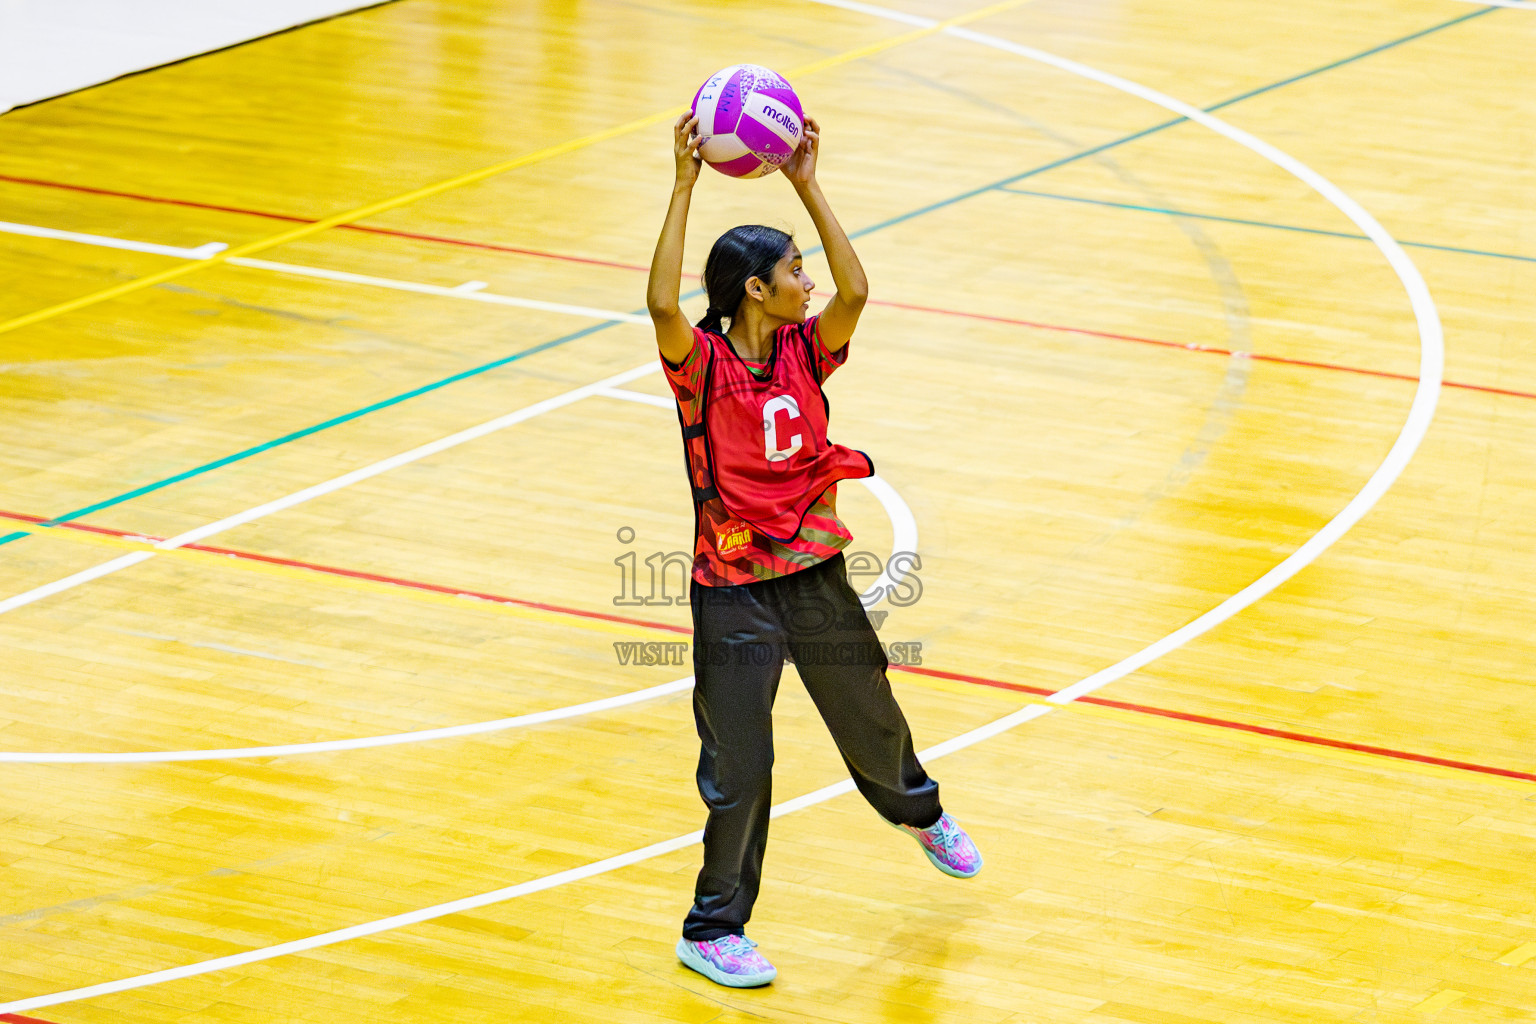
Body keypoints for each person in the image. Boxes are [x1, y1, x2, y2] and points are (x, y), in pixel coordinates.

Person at [645, 110, 982, 990]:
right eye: (794, 269)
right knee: (740, 769)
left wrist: (804, 179)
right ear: (754, 289)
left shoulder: (806, 351)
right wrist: (683, 186)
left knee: (869, 709)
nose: (809, 278)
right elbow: (659, 304)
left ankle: (918, 814)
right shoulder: (702, 367)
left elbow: (859, 291)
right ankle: (713, 930)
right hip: (734, 592)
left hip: (816, 575)